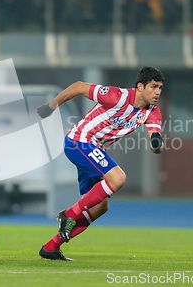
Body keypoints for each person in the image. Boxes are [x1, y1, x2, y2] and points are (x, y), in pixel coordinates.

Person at [36, 67, 164, 260]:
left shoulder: (152, 112)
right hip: (79, 141)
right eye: (153, 87)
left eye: (160, 88)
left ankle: (51, 247)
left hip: (94, 150)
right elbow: (79, 87)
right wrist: (51, 106)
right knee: (118, 177)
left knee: (100, 206)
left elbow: (156, 139)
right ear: (140, 86)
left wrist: (156, 144)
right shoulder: (117, 96)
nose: (157, 92)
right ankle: (69, 214)